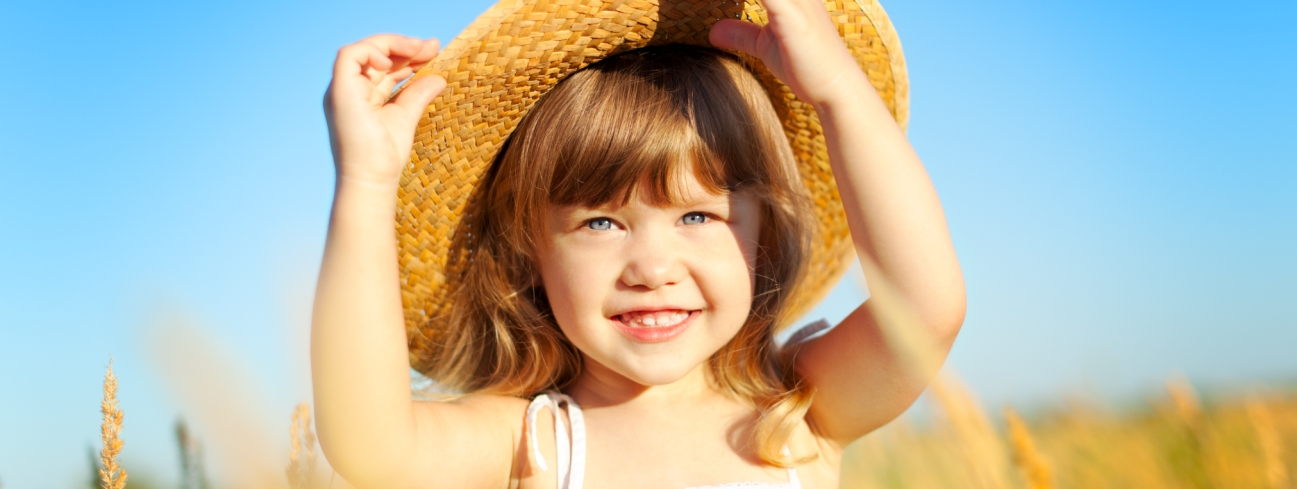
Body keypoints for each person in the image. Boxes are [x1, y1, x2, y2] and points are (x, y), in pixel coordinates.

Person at [312, 0, 965, 486]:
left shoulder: (797, 415)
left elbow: (926, 308)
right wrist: (367, 181)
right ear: (527, 250)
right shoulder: (534, 441)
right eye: (600, 222)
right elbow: (369, 446)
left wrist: (838, 94)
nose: (652, 267)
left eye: (698, 217)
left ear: (761, 236)